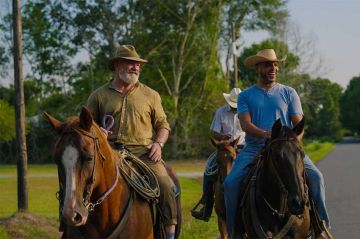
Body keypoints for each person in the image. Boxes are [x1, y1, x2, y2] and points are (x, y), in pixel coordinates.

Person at [223, 49, 330, 238]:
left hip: (286, 148)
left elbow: (298, 123)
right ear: (258, 68)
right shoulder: (245, 96)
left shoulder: (289, 93)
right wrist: (266, 135)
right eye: (267, 65)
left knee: (317, 177)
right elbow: (246, 125)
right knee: (230, 184)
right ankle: (234, 232)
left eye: (275, 64)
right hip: (255, 147)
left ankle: (321, 226)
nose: (273, 68)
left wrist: (293, 142)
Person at [87, 45, 177, 239]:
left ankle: (169, 233)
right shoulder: (98, 96)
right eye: (130, 63)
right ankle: (68, 226)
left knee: (167, 186)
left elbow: (163, 125)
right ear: (117, 65)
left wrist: (158, 144)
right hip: (109, 152)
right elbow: (86, 127)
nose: (136, 67)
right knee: (78, 181)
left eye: (137, 64)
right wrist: (98, 132)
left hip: (144, 153)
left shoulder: (151, 95)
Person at [191, 88, 246, 221]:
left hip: (243, 147)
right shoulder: (220, 112)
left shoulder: (247, 111)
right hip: (224, 148)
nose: (234, 108)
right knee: (209, 169)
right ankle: (207, 205)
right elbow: (214, 132)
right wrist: (222, 136)